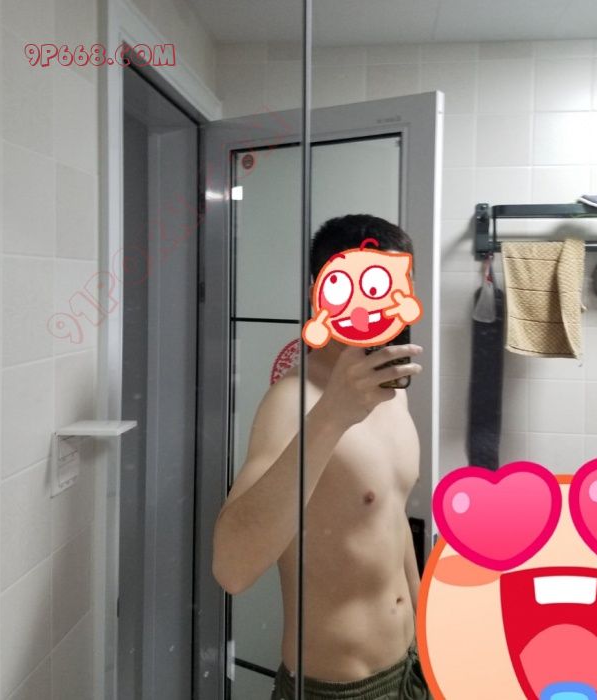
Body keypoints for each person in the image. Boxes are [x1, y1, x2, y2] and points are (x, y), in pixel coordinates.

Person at [212, 214, 431, 699]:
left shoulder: (391, 391)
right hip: (338, 688)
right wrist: (332, 415)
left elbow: (393, 524)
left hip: (411, 665)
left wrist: (428, 638)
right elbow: (231, 568)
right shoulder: (292, 403)